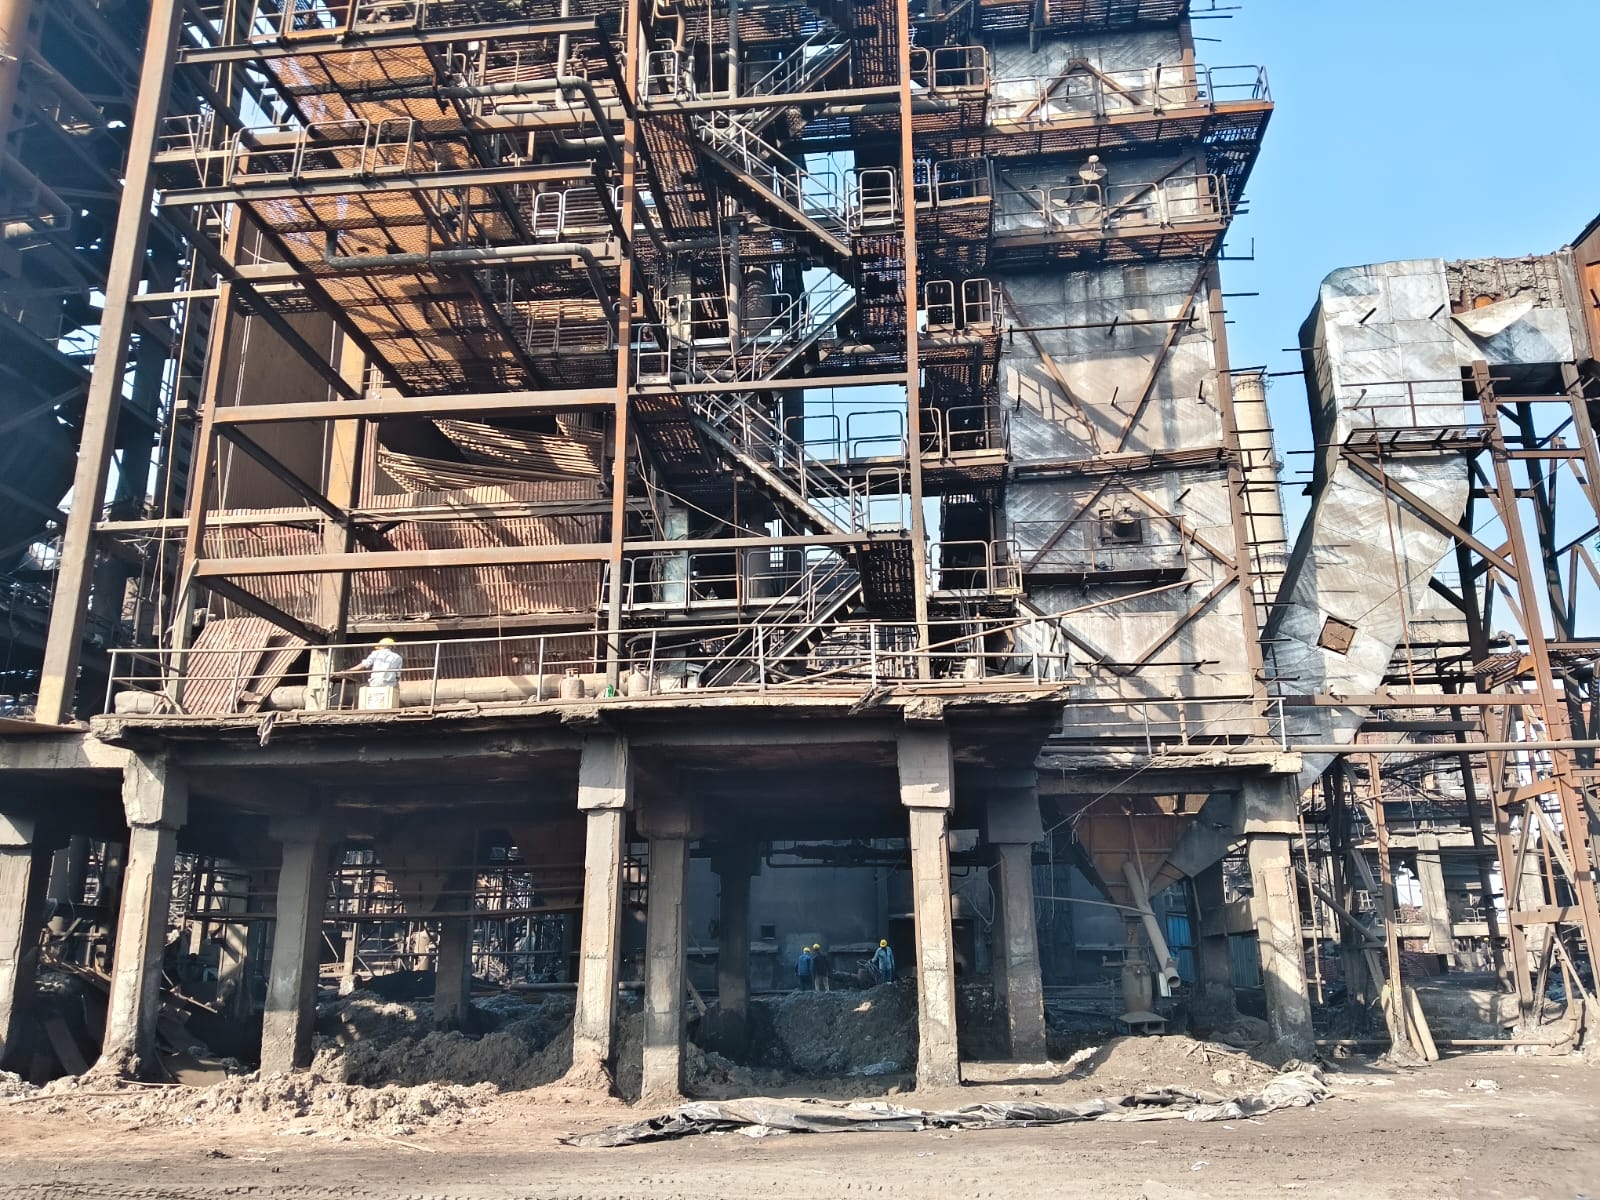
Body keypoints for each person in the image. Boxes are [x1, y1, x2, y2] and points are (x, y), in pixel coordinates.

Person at [338, 637, 403, 689]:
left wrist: (349, 671)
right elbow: (397, 676)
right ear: (392, 647)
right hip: (390, 684)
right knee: (396, 689)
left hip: (375, 682)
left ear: (381, 646)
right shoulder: (398, 657)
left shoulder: (376, 653)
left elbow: (365, 664)